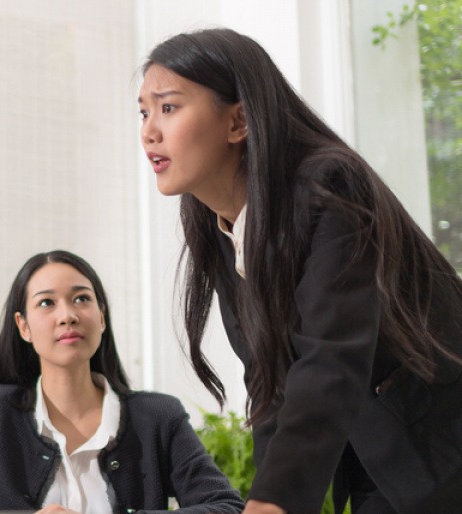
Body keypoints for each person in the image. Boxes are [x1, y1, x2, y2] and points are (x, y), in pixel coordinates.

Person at [138, 28, 462, 514]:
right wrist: (267, 500)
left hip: (440, 454)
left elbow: (331, 358)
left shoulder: (331, 188)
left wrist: (275, 501)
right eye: (143, 112)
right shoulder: (222, 231)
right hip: (383, 467)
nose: (148, 131)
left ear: (239, 120)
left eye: (168, 107)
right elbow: (272, 388)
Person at [0, 250, 244, 514]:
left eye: (81, 299)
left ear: (101, 317)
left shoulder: (158, 417)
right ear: (23, 327)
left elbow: (226, 507)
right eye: (46, 304)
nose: (67, 315)